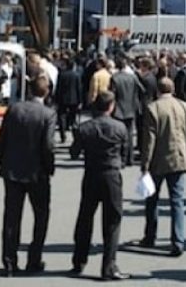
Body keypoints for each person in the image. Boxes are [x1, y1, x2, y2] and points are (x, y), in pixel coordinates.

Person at [0, 76, 57, 277]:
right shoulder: (48, 114)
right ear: (46, 91)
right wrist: (50, 167)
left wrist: (2, 162)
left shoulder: (14, 109)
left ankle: (10, 262)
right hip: (37, 172)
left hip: (12, 170)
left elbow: (1, 138)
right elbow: (48, 146)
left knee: (12, 217)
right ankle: (34, 258)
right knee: (41, 216)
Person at [69, 91, 130, 280]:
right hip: (111, 174)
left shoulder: (85, 128)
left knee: (85, 217)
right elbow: (126, 156)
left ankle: (79, 260)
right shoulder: (120, 127)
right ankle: (108, 265)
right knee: (112, 221)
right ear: (111, 107)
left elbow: (73, 153)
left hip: (91, 174)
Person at [138, 77, 186, 256]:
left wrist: (145, 164)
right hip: (179, 158)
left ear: (158, 90)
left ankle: (150, 236)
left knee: (152, 200)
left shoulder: (153, 108)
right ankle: (178, 241)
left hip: (158, 160)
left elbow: (149, 140)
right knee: (177, 201)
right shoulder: (184, 106)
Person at [109, 56, 144, 167]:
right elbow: (142, 89)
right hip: (131, 108)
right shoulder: (133, 77)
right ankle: (130, 159)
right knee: (129, 135)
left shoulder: (114, 78)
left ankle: (121, 159)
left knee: (118, 135)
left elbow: (111, 94)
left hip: (118, 109)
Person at [55, 57, 83, 144]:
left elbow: (58, 88)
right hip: (74, 99)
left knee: (61, 116)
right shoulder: (77, 75)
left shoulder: (61, 74)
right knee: (73, 118)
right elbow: (79, 88)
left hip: (63, 99)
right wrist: (80, 100)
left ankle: (63, 135)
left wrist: (56, 99)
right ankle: (74, 135)